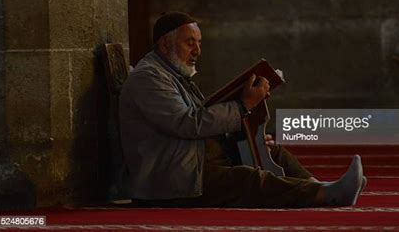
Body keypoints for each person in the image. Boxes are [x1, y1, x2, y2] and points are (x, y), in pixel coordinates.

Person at [119, 11, 366, 208]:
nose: (198, 51)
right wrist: (242, 105)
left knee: (270, 150)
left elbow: (202, 119)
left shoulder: (172, 74)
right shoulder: (148, 78)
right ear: (164, 44)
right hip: (171, 180)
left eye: (199, 43)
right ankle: (324, 195)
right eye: (189, 43)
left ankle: (324, 189)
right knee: (247, 179)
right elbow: (189, 123)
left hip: (191, 162)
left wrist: (249, 133)